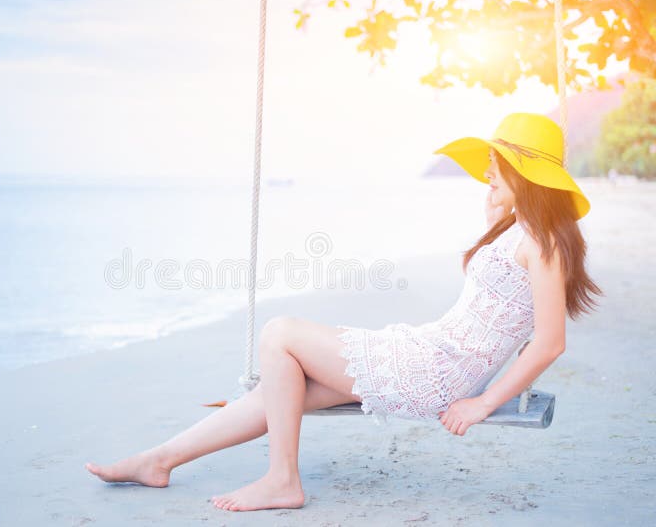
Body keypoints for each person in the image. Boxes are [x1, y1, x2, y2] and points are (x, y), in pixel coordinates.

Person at [84, 112, 603, 512]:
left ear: (525, 172)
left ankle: (283, 479)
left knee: (280, 333)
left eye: (497, 167)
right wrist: (497, 209)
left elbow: (550, 342)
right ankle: (160, 460)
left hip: (441, 372)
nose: (487, 172)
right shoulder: (522, 232)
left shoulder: (545, 243)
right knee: (281, 387)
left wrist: (484, 403)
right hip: (430, 352)